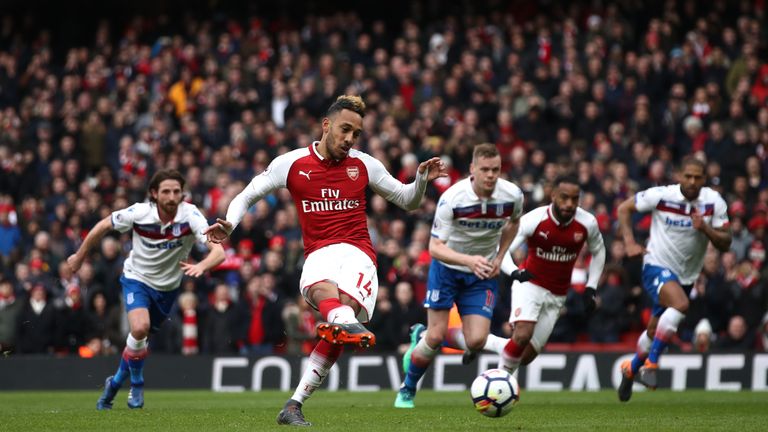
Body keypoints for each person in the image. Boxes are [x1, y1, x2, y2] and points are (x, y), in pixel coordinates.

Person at [204, 95, 447, 426]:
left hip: (359, 253)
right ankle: (331, 342)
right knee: (324, 294)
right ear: (326, 125)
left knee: (338, 311)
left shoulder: (364, 164)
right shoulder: (291, 164)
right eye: (345, 129)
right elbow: (248, 194)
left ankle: (301, 392)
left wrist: (420, 180)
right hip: (319, 252)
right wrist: (230, 223)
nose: (350, 139)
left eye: (356, 134)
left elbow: (407, 201)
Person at [66, 169, 225, 410]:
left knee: (140, 339)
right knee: (139, 328)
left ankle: (116, 382)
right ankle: (137, 383)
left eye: (176, 191)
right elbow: (102, 226)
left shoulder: (190, 215)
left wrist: (202, 265)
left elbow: (219, 252)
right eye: (166, 191)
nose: (172, 196)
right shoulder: (140, 213)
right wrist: (79, 256)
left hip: (168, 288)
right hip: (136, 279)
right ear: (154, 194)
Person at [394, 143, 524, 409]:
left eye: (496, 170)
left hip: (483, 273)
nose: (490, 175)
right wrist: (470, 260)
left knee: (476, 340)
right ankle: (408, 388)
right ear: (472, 169)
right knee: (434, 338)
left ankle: (423, 337)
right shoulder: (453, 198)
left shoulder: (512, 195)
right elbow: (434, 248)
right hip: (448, 269)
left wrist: (499, 258)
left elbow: (514, 223)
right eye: (485, 169)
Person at [458, 175, 606, 375]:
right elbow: (503, 250)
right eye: (564, 198)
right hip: (530, 283)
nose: (569, 204)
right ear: (553, 196)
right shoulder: (535, 219)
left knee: (526, 355)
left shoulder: (587, 222)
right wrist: (515, 272)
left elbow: (599, 251)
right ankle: (500, 382)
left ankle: (479, 343)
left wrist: (591, 287)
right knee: (522, 335)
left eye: (574, 199)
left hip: (558, 294)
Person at [616, 156, 731, 402]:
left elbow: (726, 242)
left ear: (704, 179)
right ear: (679, 175)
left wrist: (706, 229)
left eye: (697, 177)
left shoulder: (713, 202)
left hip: (687, 275)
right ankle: (652, 364)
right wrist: (628, 242)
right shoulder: (662, 195)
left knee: (654, 329)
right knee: (681, 305)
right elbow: (624, 208)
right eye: (687, 176)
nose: (691, 181)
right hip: (656, 264)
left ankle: (631, 368)